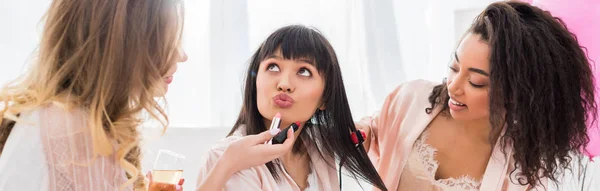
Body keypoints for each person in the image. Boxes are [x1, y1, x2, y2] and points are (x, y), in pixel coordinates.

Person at [357, 2, 597, 190]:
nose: (454, 86)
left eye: (476, 82)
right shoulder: (412, 98)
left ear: (515, 94)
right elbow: (375, 131)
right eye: (454, 67)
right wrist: (361, 134)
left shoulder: (522, 166)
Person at [0, 0, 187, 190]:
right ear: (125, 46)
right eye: (169, 41)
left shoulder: (62, 117)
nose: (182, 56)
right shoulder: (73, 129)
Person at [196, 25, 387, 191]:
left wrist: (364, 127)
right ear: (255, 82)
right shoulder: (227, 156)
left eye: (304, 71)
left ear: (325, 97)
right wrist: (229, 163)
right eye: (273, 67)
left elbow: (400, 108)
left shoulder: (320, 146)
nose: (284, 84)